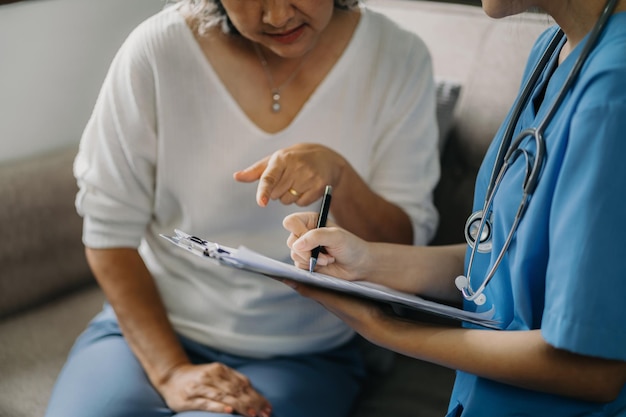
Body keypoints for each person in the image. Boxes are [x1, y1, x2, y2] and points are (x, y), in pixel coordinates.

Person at [44, 0, 440, 416]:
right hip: (149, 332)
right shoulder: (157, 50)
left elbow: (402, 249)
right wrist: (171, 371)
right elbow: (108, 233)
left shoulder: (397, 56)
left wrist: (339, 176)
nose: (277, 17)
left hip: (300, 353)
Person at [283, 0, 626, 415]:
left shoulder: (613, 88)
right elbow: (503, 258)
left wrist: (386, 328)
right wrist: (366, 261)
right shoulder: (552, 50)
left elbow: (593, 368)